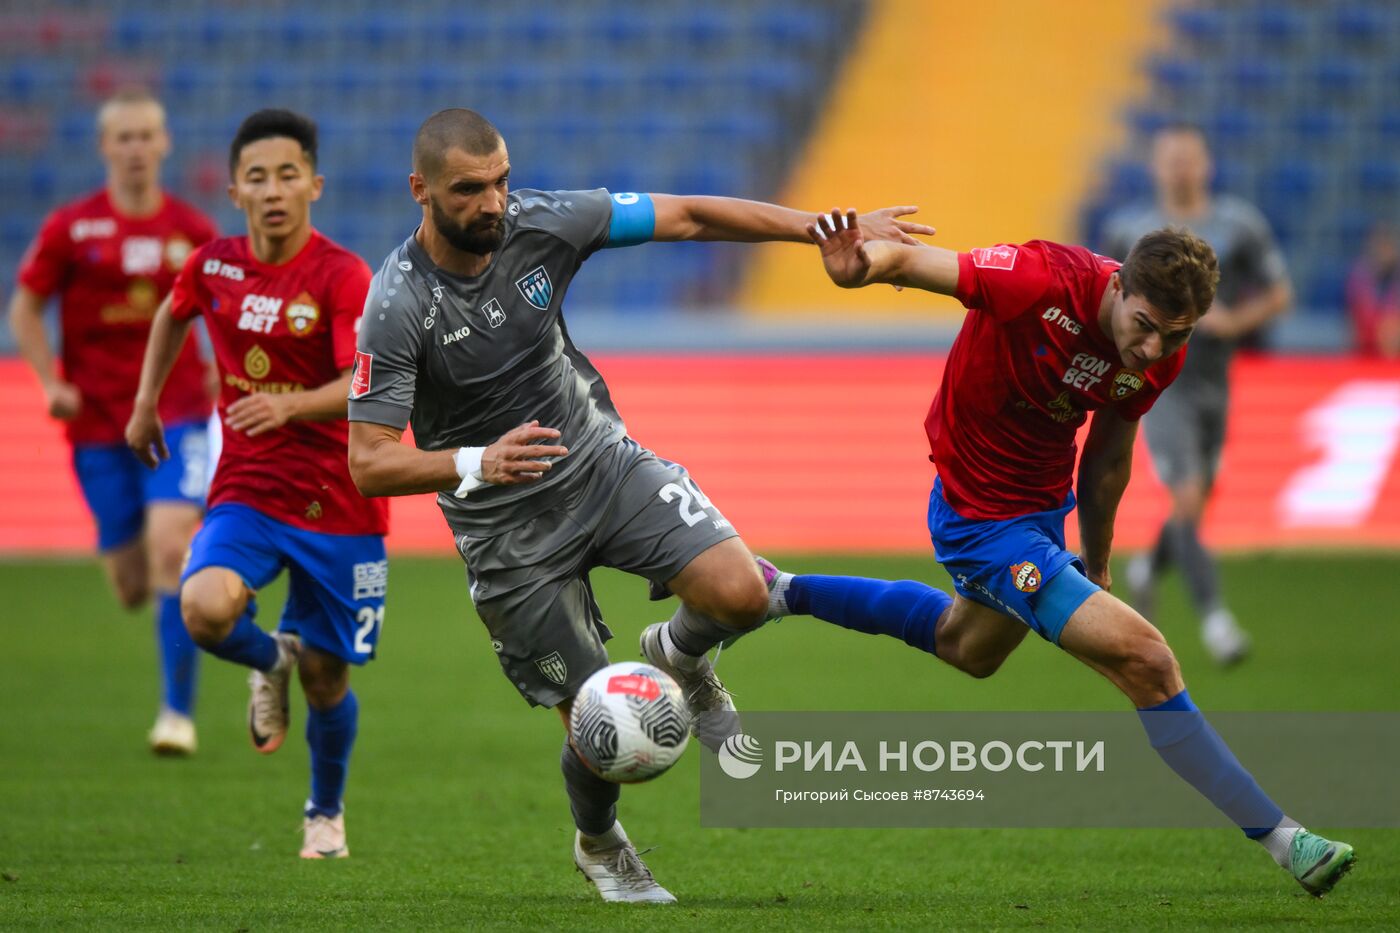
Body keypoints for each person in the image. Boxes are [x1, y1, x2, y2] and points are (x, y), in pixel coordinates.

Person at [344, 108, 929, 903]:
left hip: (602, 467)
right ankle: (600, 842)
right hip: (509, 535)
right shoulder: (397, 302)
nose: (493, 203)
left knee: (742, 592)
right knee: (605, 733)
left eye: (501, 181)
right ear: (421, 190)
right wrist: (479, 460)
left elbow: (685, 215)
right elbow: (368, 460)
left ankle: (682, 656)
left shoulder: (542, 223)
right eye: (469, 189)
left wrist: (823, 228)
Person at [742, 208, 1352, 898]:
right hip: (975, 519)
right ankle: (1283, 837)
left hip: (1039, 518)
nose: (1152, 348)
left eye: (1172, 335)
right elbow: (922, 264)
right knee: (1148, 660)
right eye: (1145, 325)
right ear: (1118, 287)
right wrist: (863, 267)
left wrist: (1096, 562)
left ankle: (780, 591)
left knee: (969, 647)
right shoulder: (1040, 280)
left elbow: (1109, 458)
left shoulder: (1162, 353)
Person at [126, 110, 388, 860]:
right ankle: (267, 658)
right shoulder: (212, 265)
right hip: (248, 486)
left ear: (314, 184)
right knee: (204, 606)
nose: (274, 190)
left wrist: (290, 404)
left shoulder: (343, 275)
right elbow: (172, 317)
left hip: (340, 499)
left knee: (327, 679)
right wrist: (146, 403)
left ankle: (324, 814)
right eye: (257, 178)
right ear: (235, 189)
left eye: (287, 175)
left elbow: (362, 384)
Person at [7, 88, 217, 755]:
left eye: (145, 135)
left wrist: (224, 364)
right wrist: (49, 379)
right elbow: (25, 308)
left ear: (164, 144)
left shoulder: (191, 230)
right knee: (131, 584)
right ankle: (209, 607)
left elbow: (231, 301)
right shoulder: (72, 229)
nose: (135, 148)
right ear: (104, 148)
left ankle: (176, 714)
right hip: (97, 422)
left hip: (176, 414)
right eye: (122, 137)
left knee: (168, 549)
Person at [1100, 123, 1292, 665]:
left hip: (1215, 383)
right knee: (1186, 497)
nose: (1181, 168)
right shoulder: (1129, 229)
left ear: (1205, 164)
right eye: (1170, 159)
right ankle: (1216, 622)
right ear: (1155, 167)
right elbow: (1105, 298)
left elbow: (1280, 292)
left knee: (1198, 499)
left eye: (1189, 158)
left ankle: (1147, 566)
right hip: (1162, 387)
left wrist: (1235, 322)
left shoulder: (1237, 224)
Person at [1346, 221, 1400, 358]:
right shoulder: (1358, 278)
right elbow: (1352, 319)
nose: (1381, 251)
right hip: (1366, 351)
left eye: (1385, 245)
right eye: (1377, 245)